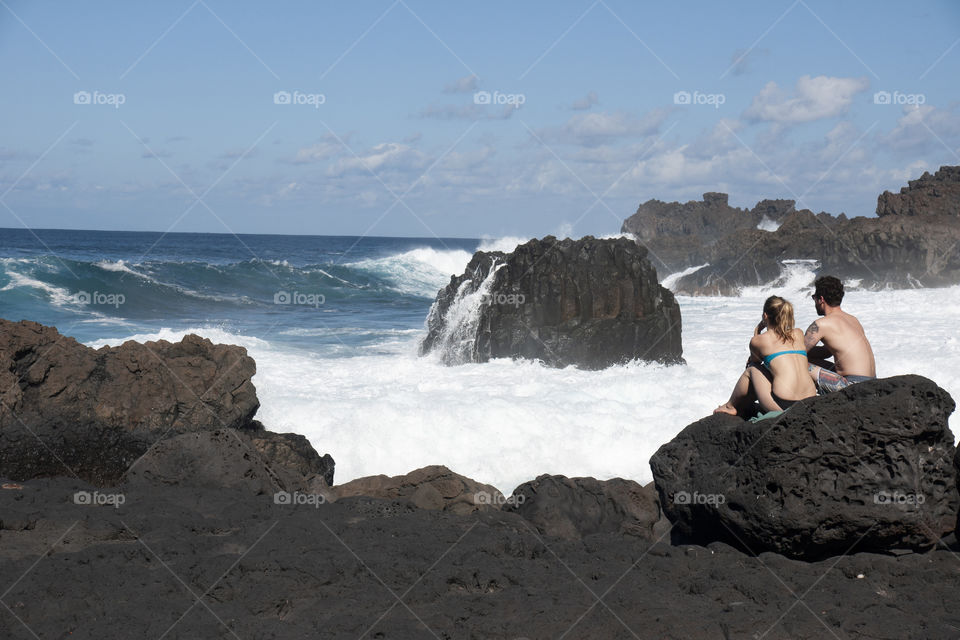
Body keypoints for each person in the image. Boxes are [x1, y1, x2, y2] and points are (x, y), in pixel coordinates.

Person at [715, 296, 817, 416]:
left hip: (783, 405)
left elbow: (755, 362)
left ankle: (730, 406)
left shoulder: (759, 340)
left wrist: (757, 332)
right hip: (810, 401)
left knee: (752, 369)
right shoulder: (798, 333)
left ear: (765, 316)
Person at [804, 276, 876, 392]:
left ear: (821, 299)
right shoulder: (853, 320)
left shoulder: (821, 325)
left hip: (852, 385)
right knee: (809, 360)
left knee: (797, 363)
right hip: (873, 382)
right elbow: (825, 353)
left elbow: (796, 353)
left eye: (814, 298)